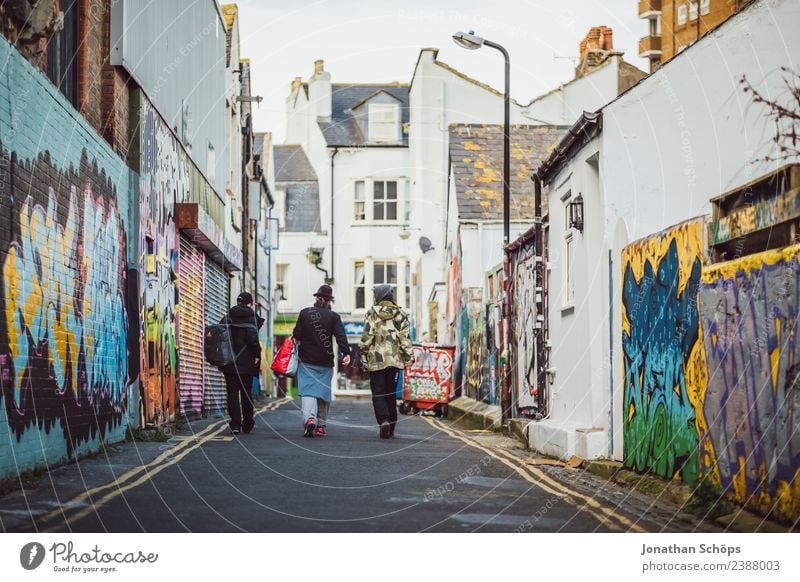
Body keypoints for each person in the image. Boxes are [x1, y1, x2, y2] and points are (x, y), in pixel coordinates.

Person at [293, 285, 351, 438]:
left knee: (307, 391)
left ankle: (309, 419)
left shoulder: (305, 313)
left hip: (306, 360)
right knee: (323, 394)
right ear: (330, 300)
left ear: (316, 298)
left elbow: (297, 334)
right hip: (325, 362)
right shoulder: (333, 317)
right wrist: (346, 352)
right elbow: (340, 337)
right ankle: (321, 427)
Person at [359, 284, 413, 439]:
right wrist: (409, 356)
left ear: (378, 297)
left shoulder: (371, 313)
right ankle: (392, 425)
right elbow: (405, 338)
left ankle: (383, 421)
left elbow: (367, 337)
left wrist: (363, 353)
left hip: (376, 360)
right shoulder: (401, 314)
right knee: (390, 393)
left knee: (378, 393)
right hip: (394, 361)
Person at [220, 292, 264, 435]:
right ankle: (247, 423)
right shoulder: (253, 320)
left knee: (232, 394)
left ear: (237, 302)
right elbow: (253, 340)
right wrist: (257, 354)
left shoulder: (227, 317)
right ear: (250, 303)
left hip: (229, 363)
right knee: (246, 394)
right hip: (246, 364)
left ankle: (235, 424)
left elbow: (220, 337)